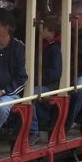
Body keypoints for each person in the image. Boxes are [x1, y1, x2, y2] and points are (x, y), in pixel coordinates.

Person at [0, 9, 28, 145]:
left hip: (10, 93)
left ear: (6, 27)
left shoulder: (18, 48)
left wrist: (2, 91)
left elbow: (21, 78)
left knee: (1, 108)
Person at [29, 15, 62, 143]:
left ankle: (34, 130)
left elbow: (55, 72)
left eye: (43, 29)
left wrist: (37, 79)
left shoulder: (55, 48)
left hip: (51, 85)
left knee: (30, 94)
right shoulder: (44, 44)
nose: (40, 31)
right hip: (41, 81)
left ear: (51, 31)